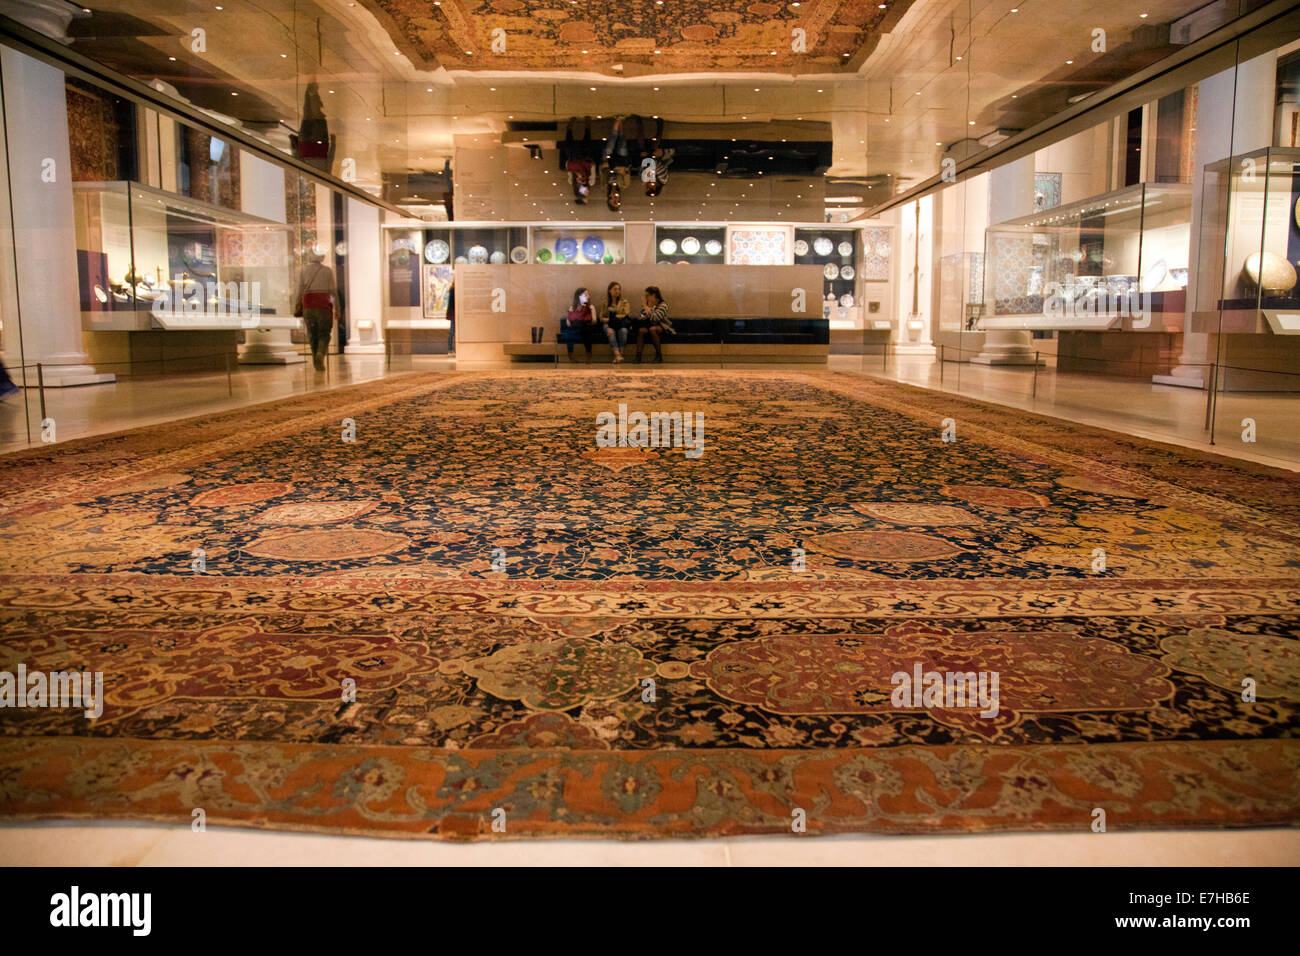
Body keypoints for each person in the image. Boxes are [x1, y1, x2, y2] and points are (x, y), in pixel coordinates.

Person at [295, 251, 336, 371]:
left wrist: (297, 305)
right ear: (321, 257)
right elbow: (333, 291)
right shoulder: (327, 271)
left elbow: (299, 290)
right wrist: (337, 308)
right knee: (324, 333)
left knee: (312, 335)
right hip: (323, 305)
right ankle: (320, 354)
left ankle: (315, 361)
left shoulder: (303, 270)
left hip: (308, 305)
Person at [559, 117, 597, 205]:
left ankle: (569, 128)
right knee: (586, 148)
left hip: (574, 160)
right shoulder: (590, 182)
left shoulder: (572, 181)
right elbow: (593, 168)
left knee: (570, 150)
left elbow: (568, 167)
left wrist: (577, 173)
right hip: (585, 160)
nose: (587, 192)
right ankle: (587, 126)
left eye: (585, 194)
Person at [634, 286, 671, 364]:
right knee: (641, 330)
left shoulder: (663, 305)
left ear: (653, 295)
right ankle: (638, 356)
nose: (645, 298)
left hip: (661, 326)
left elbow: (655, 318)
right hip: (648, 325)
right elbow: (642, 314)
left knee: (652, 329)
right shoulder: (648, 305)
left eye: (647, 295)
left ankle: (659, 355)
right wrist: (641, 317)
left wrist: (645, 306)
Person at [563, 287, 599, 363]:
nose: (588, 297)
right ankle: (571, 356)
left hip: (586, 327)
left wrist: (586, 315)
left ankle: (588, 356)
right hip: (575, 329)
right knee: (570, 331)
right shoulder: (573, 307)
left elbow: (594, 321)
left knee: (586, 329)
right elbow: (568, 323)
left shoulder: (591, 307)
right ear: (579, 297)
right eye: (585, 295)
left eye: (588, 295)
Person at [602, 281, 630, 363]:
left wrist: (612, 318)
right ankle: (618, 355)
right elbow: (601, 317)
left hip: (621, 324)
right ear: (610, 291)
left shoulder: (624, 302)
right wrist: (607, 320)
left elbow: (625, 314)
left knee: (624, 331)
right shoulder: (605, 303)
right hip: (608, 325)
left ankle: (620, 354)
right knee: (610, 332)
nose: (617, 291)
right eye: (615, 289)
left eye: (618, 289)